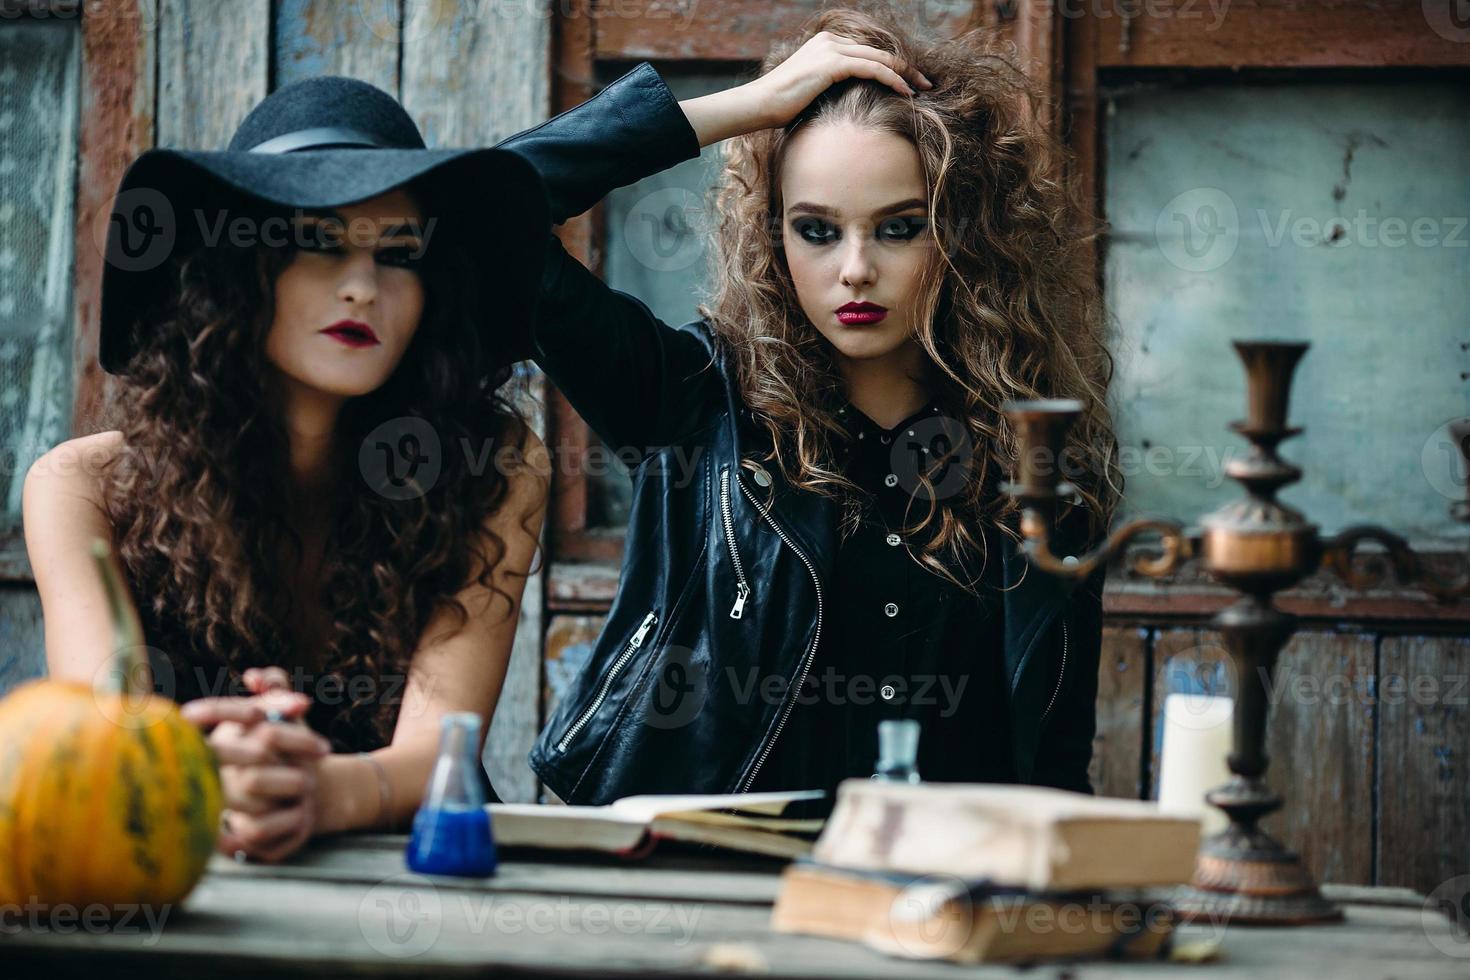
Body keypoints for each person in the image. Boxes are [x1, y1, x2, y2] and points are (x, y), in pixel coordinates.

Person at [495, 6, 1122, 809]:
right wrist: (743, 110)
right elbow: (487, 211)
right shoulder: (693, 401)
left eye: (900, 227)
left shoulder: (1037, 462)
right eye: (817, 230)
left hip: (937, 902)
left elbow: (1054, 763)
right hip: (706, 887)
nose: (855, 270)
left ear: (965, 237)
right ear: (773, 235)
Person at [22, 75, 552, 862]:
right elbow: (112, 733)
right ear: (239, 270)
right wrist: (221, 779)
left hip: (401, 873)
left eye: (398, 256)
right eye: (321, 242)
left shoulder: (495, 470)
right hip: (174, 865)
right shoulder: (81, 487)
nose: (362, 287)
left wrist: (314, 793)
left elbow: (437, 752)